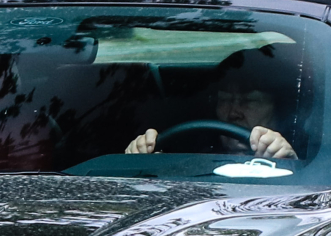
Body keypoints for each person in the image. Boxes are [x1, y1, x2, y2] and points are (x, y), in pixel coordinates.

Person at [124, 54, 301, 160]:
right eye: (224, 100)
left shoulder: (313, 159)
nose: (234, 113)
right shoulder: (189, 152)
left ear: (278, 108)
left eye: (249, 101)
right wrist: (142, 162)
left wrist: (290, 162)